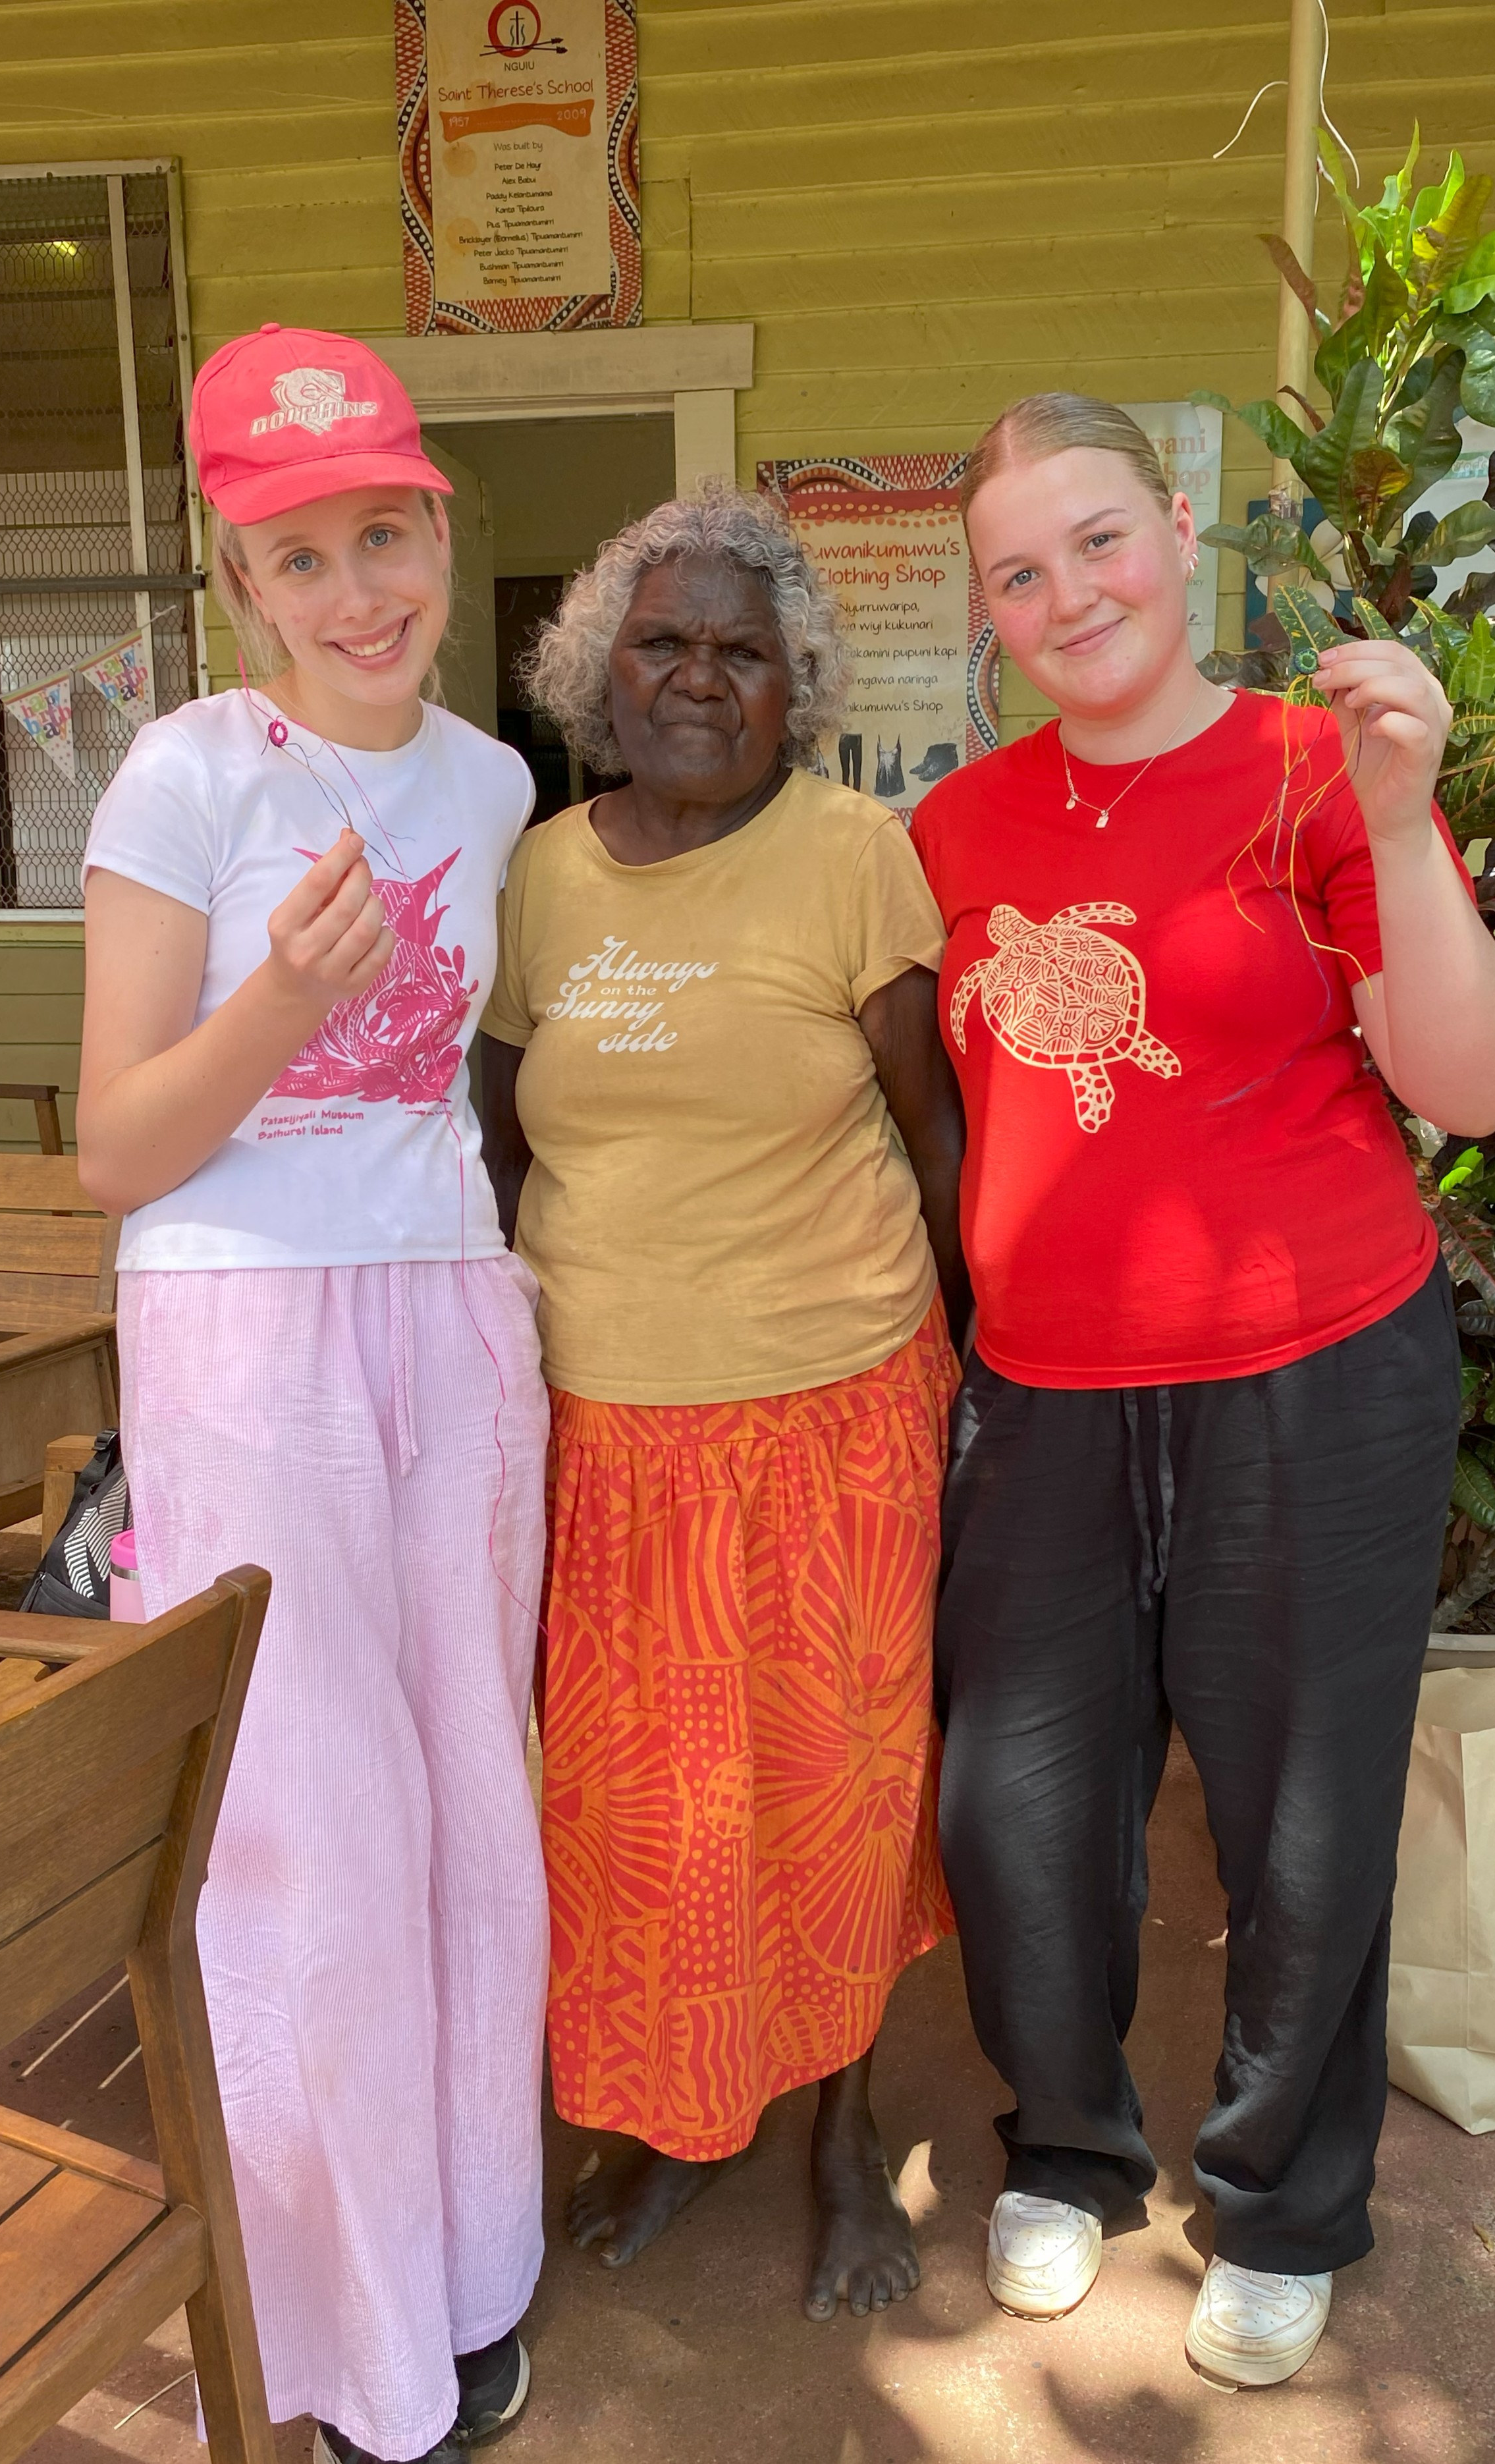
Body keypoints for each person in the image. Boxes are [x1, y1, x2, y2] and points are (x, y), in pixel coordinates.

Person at [911, 394, 1495, 2389]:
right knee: (1014, 1804)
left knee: (1302, 1810)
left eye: (1097, 541)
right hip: (1044, 1390)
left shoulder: (1311, 767)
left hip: (1314, 1370)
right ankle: (1071, 2151)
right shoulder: (956, 825)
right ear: (991, 611)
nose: (1068, 592)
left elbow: (1471, 1085)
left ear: (1174, 531)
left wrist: (1409, 806)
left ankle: (1279, 2197)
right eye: (1021, 570)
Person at [77, 325, 549, 2464]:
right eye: (304, 552)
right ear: (239, 577)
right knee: (307, 1833)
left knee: (468, 1807)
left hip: (452, 1308)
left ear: (439, 529)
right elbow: (117, 1147)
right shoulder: (187, 775)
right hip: (245, 1324)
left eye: (387, 532)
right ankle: (343, 2337)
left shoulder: (492, 780)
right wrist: (284, 991)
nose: (358, 590)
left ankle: (467, 2276)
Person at [478, 485, 969, 2322]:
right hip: (605, 1427)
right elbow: (501, 1125)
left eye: (742, 652)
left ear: (796, 689)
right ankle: (685, 2115)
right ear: (605, 670)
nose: (702, 677)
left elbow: (933, 1137)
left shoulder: (857, 854)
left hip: (834, 1411)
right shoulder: (542, 870)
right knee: (635, 1816)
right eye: (666, 642)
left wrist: (978, 1380)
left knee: (831, 1800)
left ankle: (839, 2128)